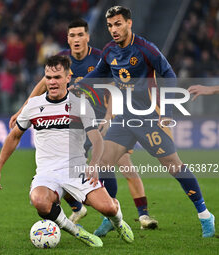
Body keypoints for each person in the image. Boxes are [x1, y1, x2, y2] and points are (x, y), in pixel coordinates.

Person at [9, 19, 158, 233]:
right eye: (72, 36)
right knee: (64, 169)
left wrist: (109, 116)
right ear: (67, 39)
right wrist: (22, 110)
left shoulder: (100, 58)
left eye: (80, 35)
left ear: (87, 37)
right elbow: (41, 86)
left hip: (97, 121)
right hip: (71, 125)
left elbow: (115, 88)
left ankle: (140, 214)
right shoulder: (61, 60)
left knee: (123, 163)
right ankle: (80, 208)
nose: (76, 39)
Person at [81, 6, 215, 238]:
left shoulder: (145, 49)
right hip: (123, 119)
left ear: (129, 23)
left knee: (174, 166)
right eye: (110, 25)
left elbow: (169, 75)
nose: (114, 29)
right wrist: (80, 83)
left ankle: (205, 215)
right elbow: (100, 73)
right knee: (102, 165)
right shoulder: (109, 50)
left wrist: (168, 112)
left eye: (118, 24)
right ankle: (111, 216)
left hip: (149, 118)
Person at [0, 55, 134, 247]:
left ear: (68, 78)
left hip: (77, 169)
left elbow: (97, 139)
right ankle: (77, 232)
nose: (52, 82)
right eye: (48, 77)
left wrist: (94, 164)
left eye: (57, 77)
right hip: (47, 173)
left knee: (108, 208)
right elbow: (14, 136)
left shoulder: (80, 104)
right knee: (39, 201)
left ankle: (118, 222)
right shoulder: (33, 106)